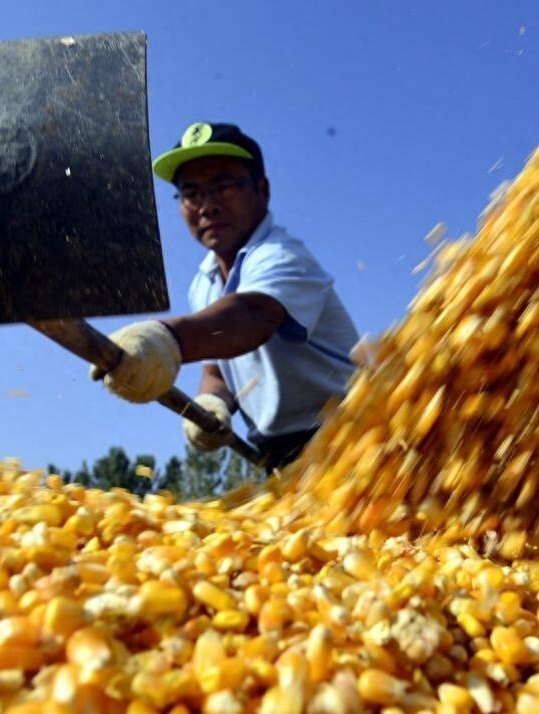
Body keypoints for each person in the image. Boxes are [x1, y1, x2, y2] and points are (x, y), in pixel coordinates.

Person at [92, 122, 359, 471]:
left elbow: (253, 317)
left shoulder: (281, 254)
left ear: (261, 191)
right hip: (278, 456)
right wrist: (209, 404)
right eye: (191, 193)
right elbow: (217, 372)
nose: (207, 206)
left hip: (349, 439)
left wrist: (166, 339)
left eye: (223, 186)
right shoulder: (203, 284)